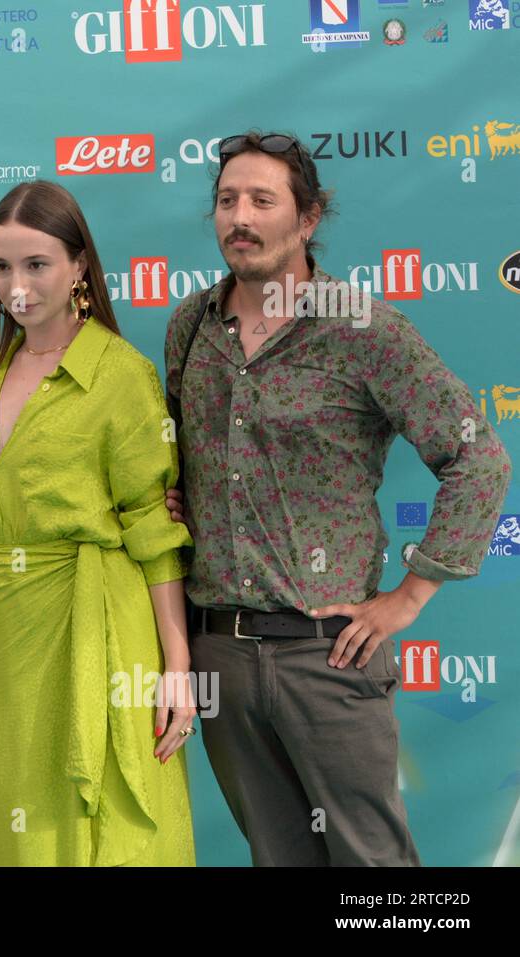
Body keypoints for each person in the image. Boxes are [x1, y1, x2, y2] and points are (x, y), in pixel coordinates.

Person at [163, 130, 512, 866]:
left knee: (372, 868)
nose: (240, 217)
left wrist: (410, 596)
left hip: (327, 657)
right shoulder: (190, 327)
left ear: (309, 217)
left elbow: (478, 456)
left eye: (263, 199)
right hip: (219, 652)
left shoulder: (365, 331)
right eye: (227, 200)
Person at [0, 181, 197, 866]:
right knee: (23, 832)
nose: (16, 285)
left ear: (78, 267)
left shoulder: (120, 374)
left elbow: (154, 530)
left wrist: (177, 667)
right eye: (1, 267)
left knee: (115, 830)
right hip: (4, 634)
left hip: (97, 626)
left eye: (36, 264)